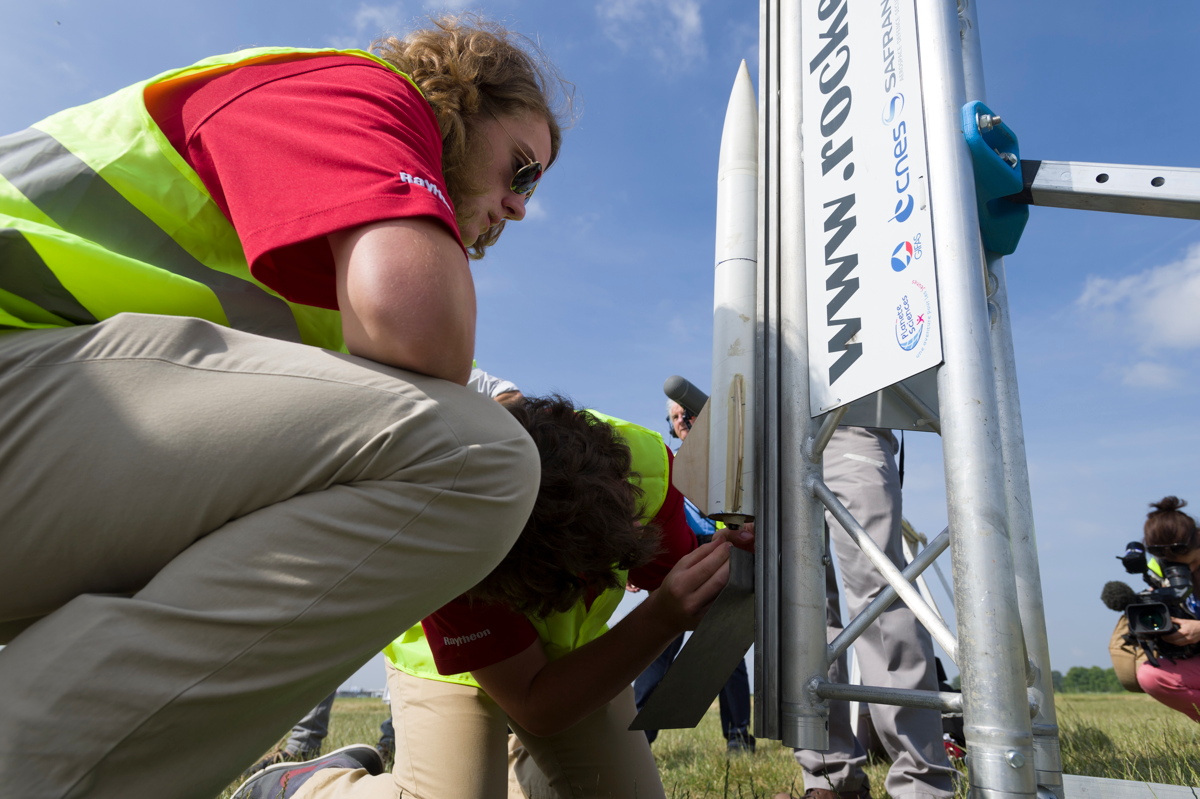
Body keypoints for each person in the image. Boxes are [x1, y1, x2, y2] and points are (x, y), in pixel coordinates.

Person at [0, 15, 567, 798]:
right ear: (465, 99)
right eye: (524, 169)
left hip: (41, 410)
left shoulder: (318, 291)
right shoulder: (363, 90)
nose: (517, 206)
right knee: (477, 456)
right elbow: (423, 327)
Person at [235, 395, 751, 799]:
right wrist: (660, 618)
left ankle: (491, 774)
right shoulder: (444, 532)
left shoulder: (645, 474)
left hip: (570, 656)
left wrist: (730, 559)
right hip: (444, 662)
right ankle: (306, 788)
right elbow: (537, 705)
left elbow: (686, 580)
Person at [242, 368, 522, 777]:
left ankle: (393, 742)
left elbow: (513, 400)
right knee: (326, 632)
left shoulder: (458, 373)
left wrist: (453, 433)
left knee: (419, 643)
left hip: (430, 522)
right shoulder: (358, 377)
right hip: (366, 518)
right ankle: (303, 747)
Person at [779, 427, 956, 799]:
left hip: (849, 415)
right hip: (775, 429)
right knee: (800, 609)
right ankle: (831, 781)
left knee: (881, 592)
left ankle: (921, 786)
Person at [631, 399, 755, 753]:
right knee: (658, 647)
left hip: (721, 546)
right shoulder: (664, 462)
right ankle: (638, 740)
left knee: (725, 645)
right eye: (674, 417)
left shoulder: (730, 459)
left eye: (687, 412)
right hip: (676, 552)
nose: (682, 420)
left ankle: (738, 737)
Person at [1135, 496, 1200, 721]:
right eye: (1171, 566)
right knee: (1151, 675)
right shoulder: (1157, 572)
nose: (1182, 572)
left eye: (1187, 564)